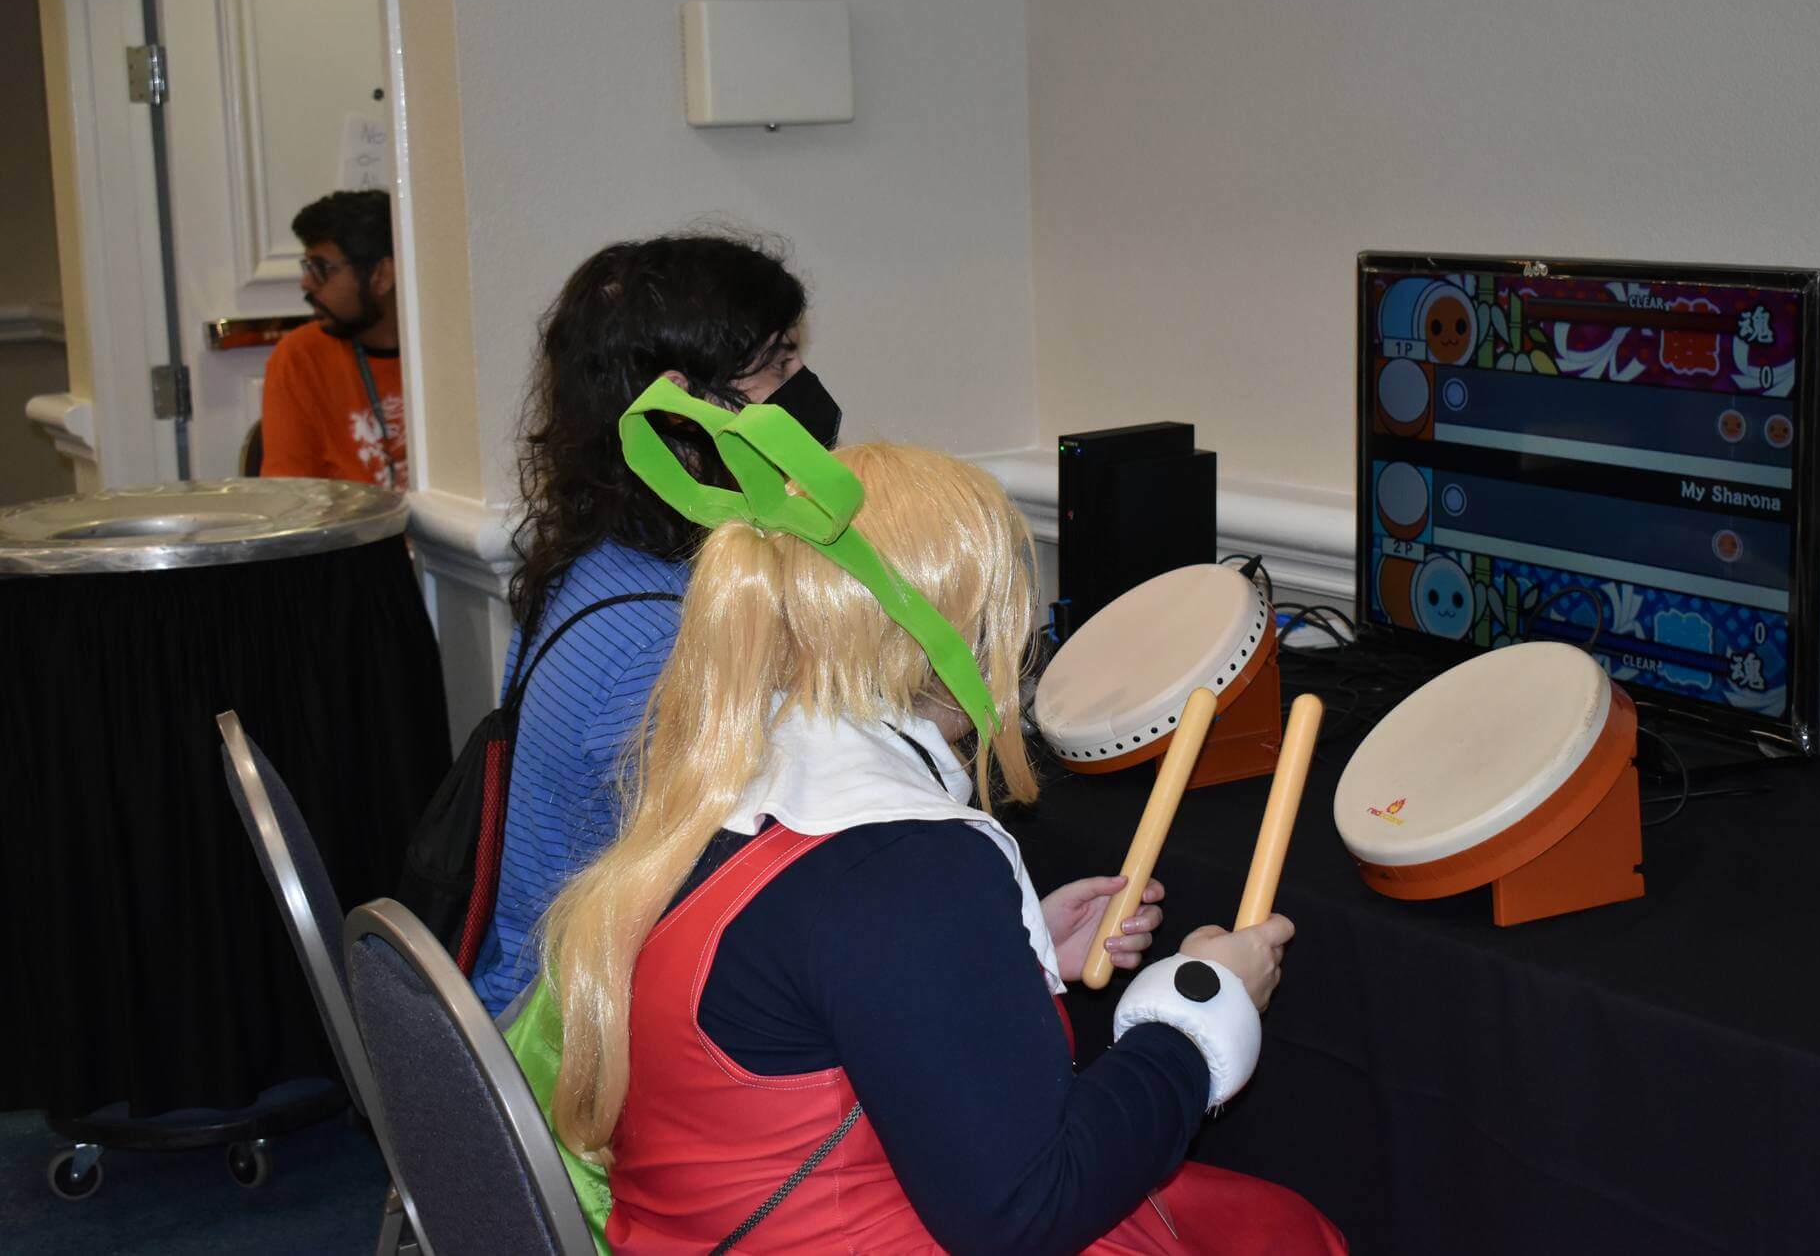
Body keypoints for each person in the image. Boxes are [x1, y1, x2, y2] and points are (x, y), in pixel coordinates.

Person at [539, 420, 1346, 1254]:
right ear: (947, 637)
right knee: (1292, 1234)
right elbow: (1029, 1209)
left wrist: (1009, 954)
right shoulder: (903, 869)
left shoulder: (719, 798)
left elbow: (823, 999)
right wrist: (1197, 1012)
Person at [469, 233, 838, 1016]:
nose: (800, 385)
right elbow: (739, 903)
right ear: (682, 406)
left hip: (544, 988)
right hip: (582, 1032)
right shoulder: (659, 638)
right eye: (776, 362)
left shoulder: (601, 560)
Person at [261, 189, 408, 489]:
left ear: (381, 275)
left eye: (321, 269)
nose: (306, 283)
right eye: (307, 268)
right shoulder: (300, 357)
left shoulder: (452, 350)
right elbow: (291, 497)